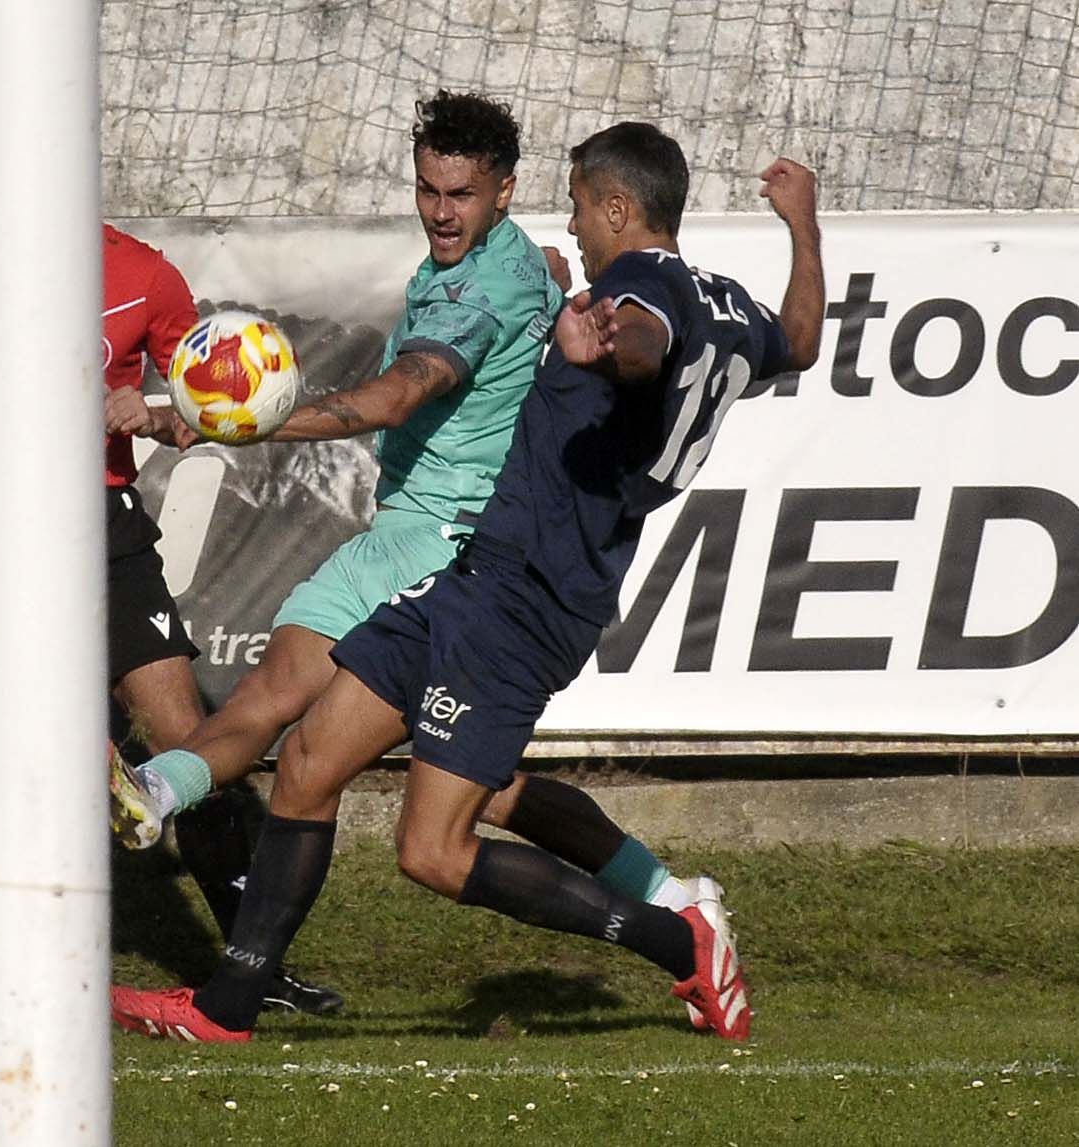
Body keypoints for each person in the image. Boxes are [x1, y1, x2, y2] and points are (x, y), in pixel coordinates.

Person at [109, 124, 825, 1043]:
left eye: (578, 205)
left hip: (527, 600)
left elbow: (644, 337)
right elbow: (800, 340)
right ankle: (225, 1009)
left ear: (615, 207)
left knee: (434, 852)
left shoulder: (637, 292)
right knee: (309, 759)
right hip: (473, 572)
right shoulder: (725, 304)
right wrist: (801, 227)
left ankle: (678, 943)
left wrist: (612, 345)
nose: (572, 223)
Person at [0, 223, 342, 1015]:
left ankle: (252, 964)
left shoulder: (144, 274)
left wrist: (152, 411)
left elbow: (197, 413)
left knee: (189, 740)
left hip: (99, 528)